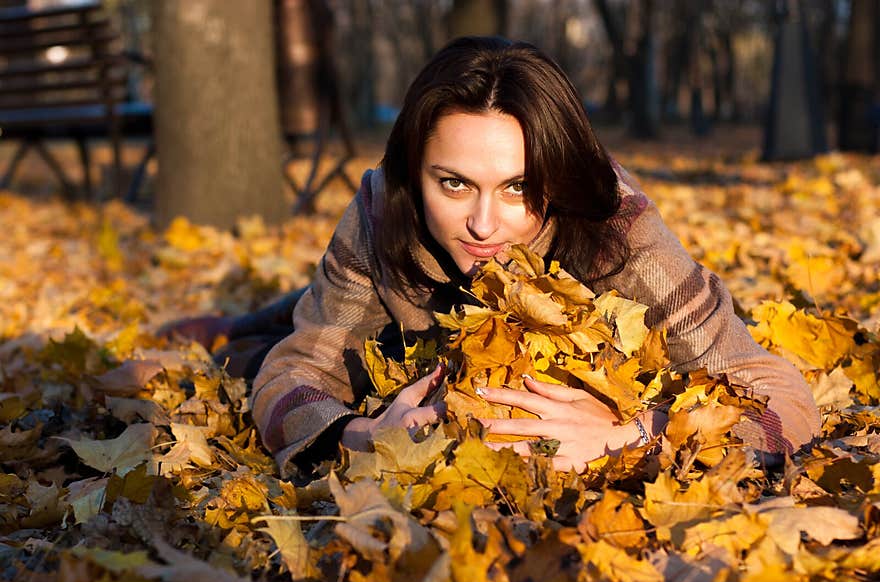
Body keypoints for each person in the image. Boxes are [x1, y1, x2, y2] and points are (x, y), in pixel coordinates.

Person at [163, 36, 821, 480]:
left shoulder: (615, 227)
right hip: (395, 322)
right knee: (272, 346)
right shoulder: (381, 207)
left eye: (517, 187)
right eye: (452, 183)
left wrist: (640, 436)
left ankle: (248, 321)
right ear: (414, 172)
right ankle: (237, 325)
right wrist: (360, 436)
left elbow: (780, 394)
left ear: (556, 176)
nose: (483, 223)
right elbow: (298, 370)